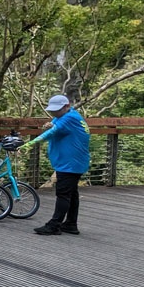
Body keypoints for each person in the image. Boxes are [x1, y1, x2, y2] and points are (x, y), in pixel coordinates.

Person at [21, 94, 91, 235]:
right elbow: (55, 127)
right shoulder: (68, 115)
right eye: (51, 111)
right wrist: (50, 124)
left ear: (66, 106)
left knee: (63, 194)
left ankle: (54, 225)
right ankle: (71, 224)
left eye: (56, 110)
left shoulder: (69, 118)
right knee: (71, 194)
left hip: (70, 163)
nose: (53, 113)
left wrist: (27, 145)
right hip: (73, 161)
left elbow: (49, 134)